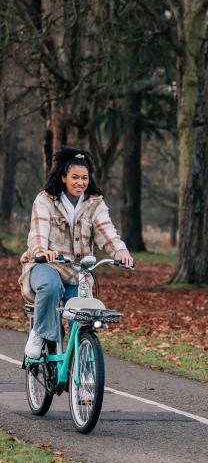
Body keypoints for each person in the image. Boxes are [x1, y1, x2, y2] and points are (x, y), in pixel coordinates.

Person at [20, 147, 134, 359]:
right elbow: (38, 231)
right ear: (63, 177)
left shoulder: (95, 203)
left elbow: (106, 232)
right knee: (50, 286)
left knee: (83, 315)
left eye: (84, 178)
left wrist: (120, 252)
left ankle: (79, 358)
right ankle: (39, 333)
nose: (80, 182)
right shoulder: (45, 200)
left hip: (77, 272)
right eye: (75, 177)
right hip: (45, 265)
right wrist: (41, 250)